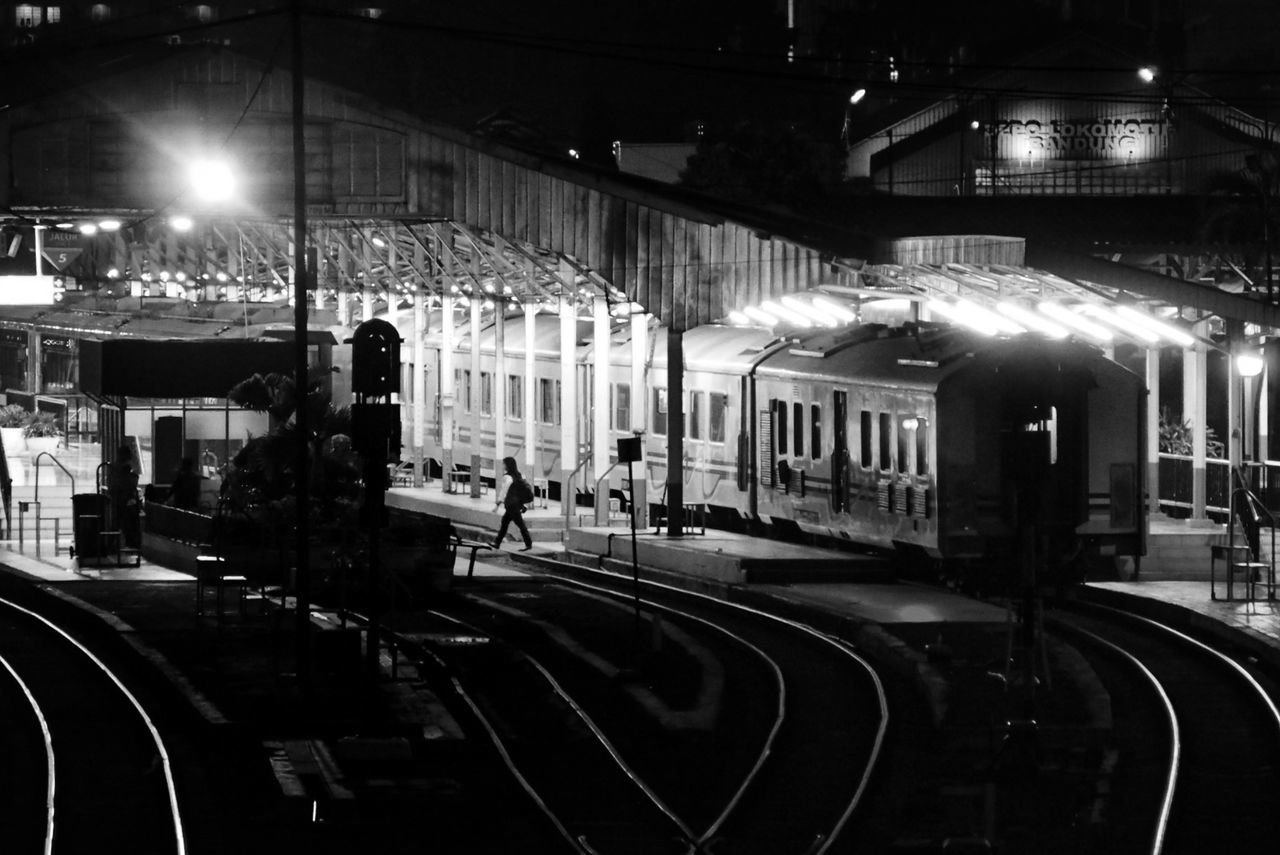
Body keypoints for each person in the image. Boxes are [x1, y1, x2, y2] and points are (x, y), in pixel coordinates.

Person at [492, 456, 533, 551]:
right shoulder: (518, 475)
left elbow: (504, 491)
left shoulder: (508, 477)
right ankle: (497, 543)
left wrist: (498, 504)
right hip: (516, 504)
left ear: (507, 465)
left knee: (519, 524)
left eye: (504, 464)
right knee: (505, 522)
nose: (503, 465)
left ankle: (529, 544)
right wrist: (524, 504)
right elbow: (523, 490)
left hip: (512, 505)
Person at [107, 444, 141, 548]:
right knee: (128, 522)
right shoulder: (126, 469)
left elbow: (112, 484)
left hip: (116, 498)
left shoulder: (113, 468)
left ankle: (110, 544)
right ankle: (131, 543)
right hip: (125, 498)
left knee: (116, 522)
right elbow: (130, 483)